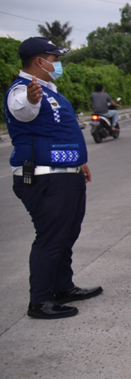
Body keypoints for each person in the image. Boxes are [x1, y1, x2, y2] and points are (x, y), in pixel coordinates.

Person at [4, 37, 102, 319]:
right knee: (51, 238)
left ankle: (63, 287)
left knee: (67, 234)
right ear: (39, 61)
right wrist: (31, 99)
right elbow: (23, 110)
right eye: (54, 58)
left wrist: (78, 162)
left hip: (66, 175)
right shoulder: (22, 91)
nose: (57, 64)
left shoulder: (50, 90)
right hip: (44, 178)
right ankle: (40, 301)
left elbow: (60, 131)